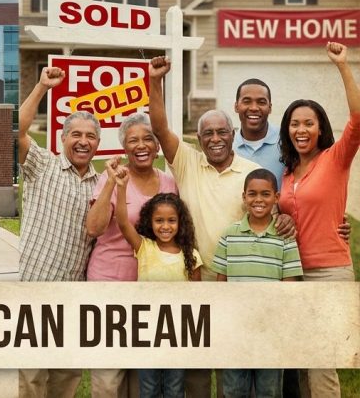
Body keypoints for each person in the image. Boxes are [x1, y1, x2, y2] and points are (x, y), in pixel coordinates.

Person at [148, 56, 297, 396]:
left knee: (239, 367)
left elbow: (267, 211)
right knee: (198, 372)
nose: (215, 138)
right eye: (207, 133)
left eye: (221, 132)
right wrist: (154, 81)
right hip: (197, 277)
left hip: (241, 280)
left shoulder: (250, 172)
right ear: (198, 138)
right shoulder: (187, 163)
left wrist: (284, 217)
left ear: (232, 134)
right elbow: (159, 128)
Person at [277, 41, 360, 396]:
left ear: (320, 127)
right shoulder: (287, 173)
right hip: (293, 273)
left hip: (329, 270)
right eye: (295, 124)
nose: (301, 130)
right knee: (303, 358)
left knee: (322, 360)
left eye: (308, 123)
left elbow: (358, 119)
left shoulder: (336, 158)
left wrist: (342, 65)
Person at [16, 67, 98, 396]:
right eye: (76, 134)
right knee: (30, 380)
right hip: (32, 289)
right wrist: (41, 87)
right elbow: (17, 131)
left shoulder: (101, 184)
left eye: (90, 136)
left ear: (97, 143)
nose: (82, 141)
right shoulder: (43, 164)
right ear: (63, 138)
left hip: (71, 297)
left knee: (65, 376)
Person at [83, 113, 177, 397]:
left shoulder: (170, 183)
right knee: (109, 379)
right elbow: (93, 228)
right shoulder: (109, 179)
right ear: (124, 148)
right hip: (109, 283)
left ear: (157, 145)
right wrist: (112, 182)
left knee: (142, 379)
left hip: (151, 289)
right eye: (133, 140)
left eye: (148, 138)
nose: (141, 145)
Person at [212, 168, 301, 398]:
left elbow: (289, 289)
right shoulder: (230, 234)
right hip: (235, 329)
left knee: (269, 391)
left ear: (276, 198)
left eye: (265, 194)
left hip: (269, 330)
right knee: (233, 390)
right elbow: (220, 284)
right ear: (244, 197)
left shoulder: (285, 238)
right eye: (252, 194)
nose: (258, 200)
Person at [115, 181, 201, 397]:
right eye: (159, 220)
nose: (165, 226)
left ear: (181, 223)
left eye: (171, 220)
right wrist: (121, 187)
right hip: (147, 331)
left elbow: (198, 297)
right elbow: (123, 223)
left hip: (177, 333)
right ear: (150, 222)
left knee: (174, 388)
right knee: (149, 387)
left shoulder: (190, 255)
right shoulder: (145, 248)